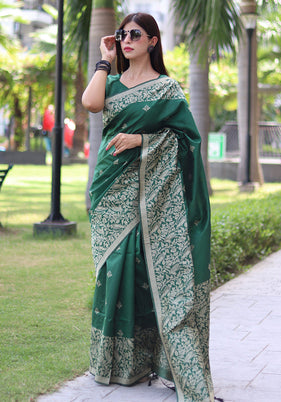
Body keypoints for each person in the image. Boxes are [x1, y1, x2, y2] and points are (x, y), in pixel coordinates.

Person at [82, 12, 214, 402]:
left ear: (153, 40)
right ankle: (120, 363)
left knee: (148, 268)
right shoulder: (113, 81)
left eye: (134, 34)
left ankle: (164, 362)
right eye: (122, 35)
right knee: (115, 268)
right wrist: (104, 59)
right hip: (110, 189)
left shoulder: (168, 89)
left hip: (155, 191)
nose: (126, 40)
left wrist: (143, 141)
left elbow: (187, 141)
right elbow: (91, 103)